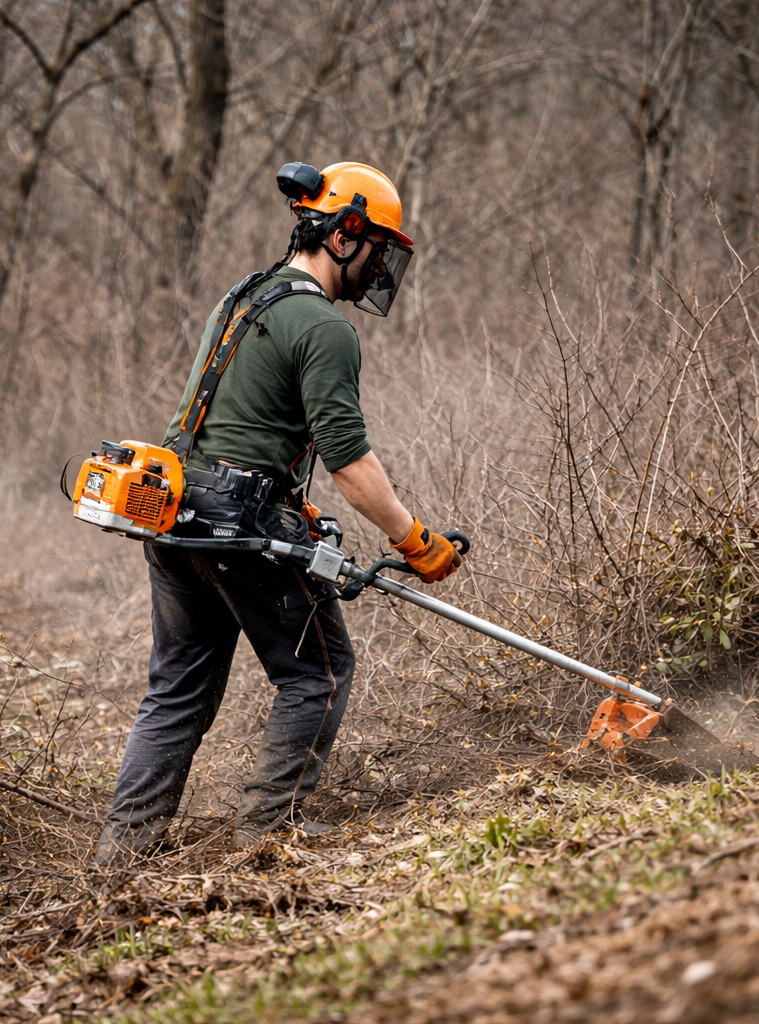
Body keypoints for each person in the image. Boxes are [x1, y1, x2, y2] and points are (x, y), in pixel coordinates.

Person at [94, 161, 463, 866]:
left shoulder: (244, 298)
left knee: (175, 691)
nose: (381, 266)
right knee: (318, 673)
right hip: (240, 525)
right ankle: (265, 838)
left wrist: (293, 500)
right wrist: (415, 541)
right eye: (379, 248)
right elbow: (352, 463)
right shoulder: (323, 326)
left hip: (177, 512)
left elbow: (231, 423)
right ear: (346, 235)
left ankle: (121, 853)